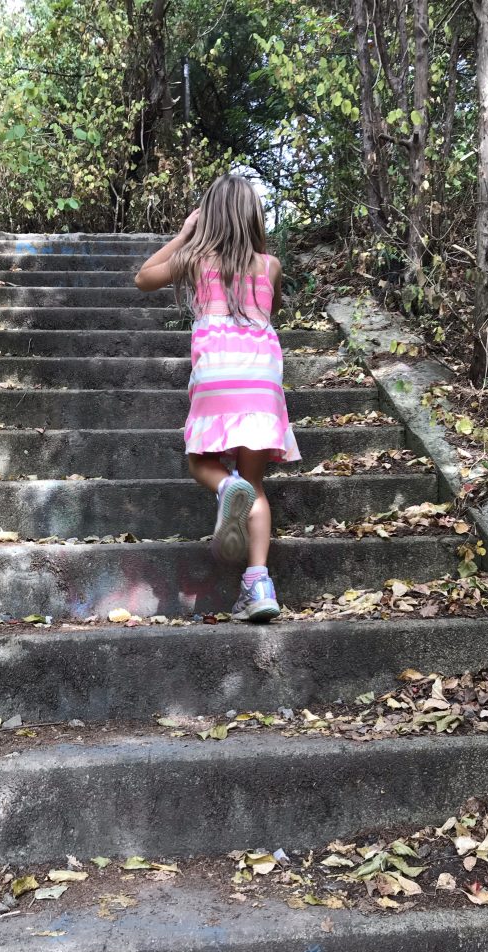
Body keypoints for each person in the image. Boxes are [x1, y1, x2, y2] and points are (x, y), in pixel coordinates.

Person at [135, 173, 301, 623]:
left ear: (209, 216)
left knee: (201, 462)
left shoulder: (196, 259)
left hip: (217, 376)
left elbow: (144, 278)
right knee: (257, 485)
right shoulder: (270, 266)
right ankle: (258, 583)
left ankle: (226, 488)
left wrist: (183, 236)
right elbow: (271, 309)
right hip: (262, 381)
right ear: (253, 218)